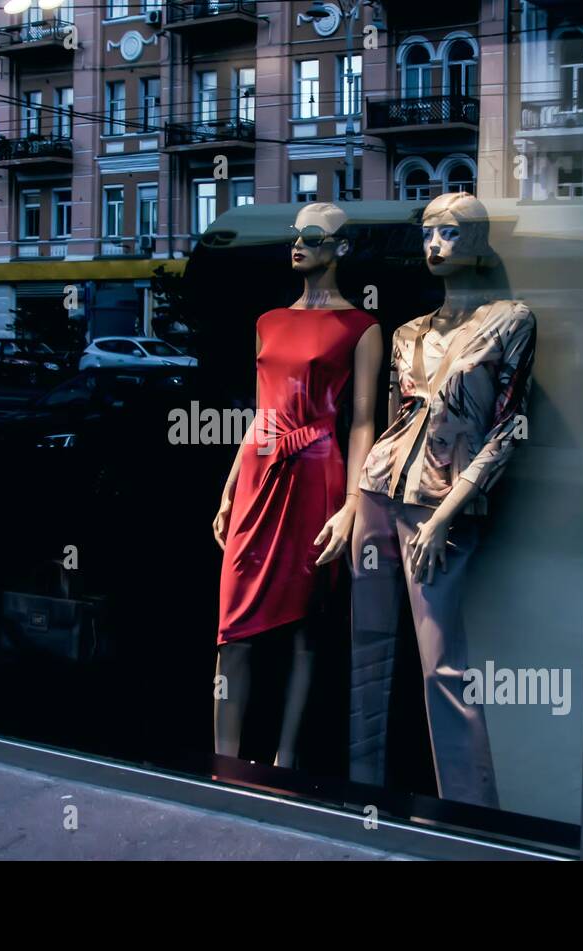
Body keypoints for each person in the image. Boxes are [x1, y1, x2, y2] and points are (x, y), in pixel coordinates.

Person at [349, 192, 536, 808]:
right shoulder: (406, 334)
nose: (434, 245)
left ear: (479, 244)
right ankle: (363, 791)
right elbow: (391, 425)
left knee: (442, 667)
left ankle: (472, 816)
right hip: (378, 491)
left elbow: (508, 429)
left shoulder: (510, 321)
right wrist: (354, 501)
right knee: (368, 648)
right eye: (429, 233)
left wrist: (449, 514)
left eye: (450, 233)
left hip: (440, 506)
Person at [212, 202, 383, 767]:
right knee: (234, 629)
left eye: (315, 235)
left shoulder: (361, 327)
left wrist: (354, 501)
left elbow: (362, 421)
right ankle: (226, 764)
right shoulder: (267, 321)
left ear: (341, 249)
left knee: (305, 630)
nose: (300, 242)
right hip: (260, 469)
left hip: (316, 475)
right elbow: (261, 412)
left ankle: (287, 762)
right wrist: (230, 485)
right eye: (297, 234)